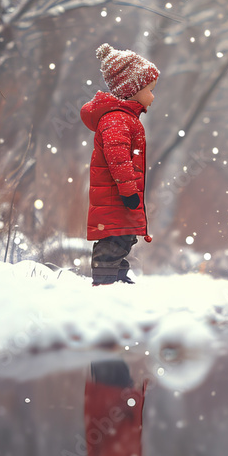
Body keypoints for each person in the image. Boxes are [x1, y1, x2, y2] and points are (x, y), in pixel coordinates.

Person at [80, 43, 158, 285]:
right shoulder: (117, 119)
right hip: (115, 197)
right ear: (132, 90)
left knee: (123, 238)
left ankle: (117, 278)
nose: (153, 96)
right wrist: (128, 192)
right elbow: (118, 159)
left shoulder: (125, 118)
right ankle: (105, 282)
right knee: (114, 239)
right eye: (150, 90)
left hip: (115, 197)